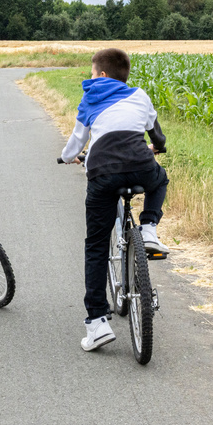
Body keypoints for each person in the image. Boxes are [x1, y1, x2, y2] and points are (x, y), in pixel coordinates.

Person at [59, 48, 169, 351]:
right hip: (140, 165)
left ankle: (97, 323)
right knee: (160, 179)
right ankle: (148, 230)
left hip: (103, 174)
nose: (91, 77)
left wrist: (67, 158)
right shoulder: (140, 95)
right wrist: (156, 149)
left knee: (95, 245)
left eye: (93, 72)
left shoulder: (90, 98)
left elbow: (77, 141)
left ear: (102, 74)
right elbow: (157, 136)